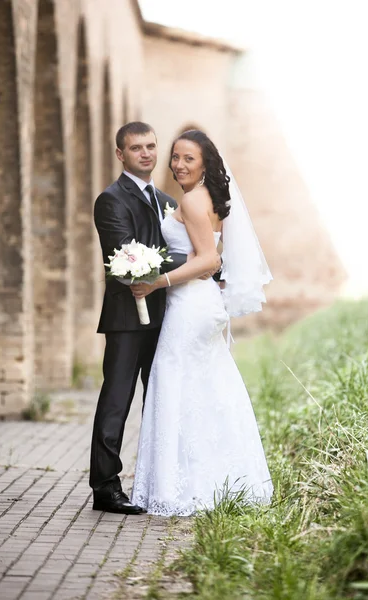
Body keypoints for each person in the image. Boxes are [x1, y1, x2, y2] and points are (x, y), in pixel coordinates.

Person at [130, 129, 274, 516]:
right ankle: (223, 481)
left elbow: (209, 261)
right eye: (175, 157)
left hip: (191, 304)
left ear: (205, 163)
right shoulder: (210, 198)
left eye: (188, 159)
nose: (178, 165)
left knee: (173, 382)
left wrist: (156, 280)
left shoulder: (193, 201)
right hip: (203, 303)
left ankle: (180, 487)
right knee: (208, 387)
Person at [90, 122, 220, 515]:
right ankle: (106, 487)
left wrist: (206, 260)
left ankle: (156, 479)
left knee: (163, 399)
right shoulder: (111, 200)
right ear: (121, 155)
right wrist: (202, 261)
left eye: (150, 146)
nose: (145, 154)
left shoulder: (166, 199)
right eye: (135, 148)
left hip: (168, 315)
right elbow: (128, 256)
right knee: (117, 399)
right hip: (127, 317)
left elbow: (174, 244)